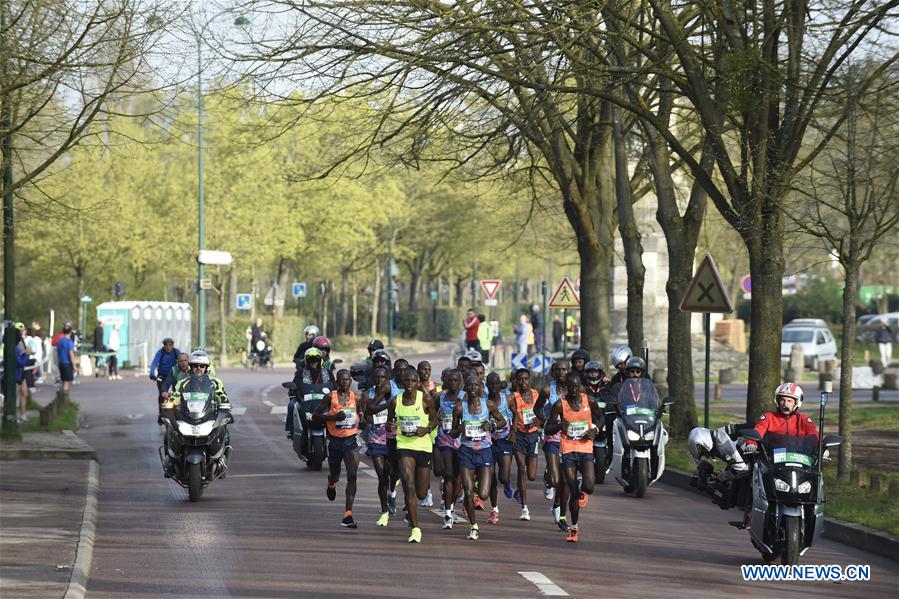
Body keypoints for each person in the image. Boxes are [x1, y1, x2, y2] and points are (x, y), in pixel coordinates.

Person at [545, 371, 603, 542]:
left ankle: (582, 485)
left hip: (585, 447)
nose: (574, 390)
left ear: (581, 387)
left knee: (589, 487)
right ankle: (574, 528)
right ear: (566, 388)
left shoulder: (589, 401)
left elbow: (601, 417)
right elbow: (548, 428)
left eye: (577, 386)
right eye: (570, 387)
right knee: (573, 491)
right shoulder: (559, 405)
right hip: (568, 448)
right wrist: (558, 425)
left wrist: (596, 429)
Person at [451, 373, 505, 540]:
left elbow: (503, 421)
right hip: (466, 451)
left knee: (483, 494)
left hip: (484, 451)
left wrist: (493, 425)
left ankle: (477, 487)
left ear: (481, 387)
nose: (473, 388)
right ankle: (473, 526)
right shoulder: (459, 408)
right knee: (467, 492)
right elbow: (452, 432)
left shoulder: (488, 405)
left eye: (476, 385)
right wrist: (458, 430)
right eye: (470, 385)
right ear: (465, 388)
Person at [386, 368, 438, 543]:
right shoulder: (396, 401)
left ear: (418, 383)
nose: (409, 385)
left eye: (413, 382)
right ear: (402, 383)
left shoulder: (425, 399)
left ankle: (415, 506)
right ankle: (416, 528)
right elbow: (389, 420)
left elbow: (435, 418)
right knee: (408, 485)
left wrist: (427, 429)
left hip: (423, 447)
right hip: (404, 445)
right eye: (406, 381)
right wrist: (390, 426)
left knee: (421, 493)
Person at [314, 369, 363, 529]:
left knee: (352, 475)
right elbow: (315, 416)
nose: (345, 382)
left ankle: (348, 514)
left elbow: (363, 414)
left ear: (351, 381)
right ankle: (331, 483)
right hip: (335, 442)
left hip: (351, 441)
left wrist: (362, 418)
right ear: (337, 381)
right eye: (342, 380)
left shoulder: (357, 397)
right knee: (335, 474)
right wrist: (333, 417)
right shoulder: (330, 397)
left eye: (347, 379)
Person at [535, 360, 571, 531]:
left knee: (565, 478)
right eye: (558, 370)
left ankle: (557, 506)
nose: (561, 373)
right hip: (552, 435)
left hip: (571, 437)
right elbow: (537, 409)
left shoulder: (575, 389)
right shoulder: (548, 390)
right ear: (553, 372)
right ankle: (549, 477)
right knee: (556, 479)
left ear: (569, 371)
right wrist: (546, 422)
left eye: (564, 370)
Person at [363, 365, 394, 526]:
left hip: (393, 440)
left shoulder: (395, 393)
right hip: (376, 441)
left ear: (388, 378)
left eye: (383, 377)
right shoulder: (368, 394)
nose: (380, 380)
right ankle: (384, 511)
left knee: (392, 474)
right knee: (382, 477)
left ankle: (392, 494)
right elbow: (366, 413)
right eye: (377, 377)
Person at [508, 368, 540, 521]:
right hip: (519, 436)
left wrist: (538, 420)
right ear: (516, 381)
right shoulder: (513, 397)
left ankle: (519, 492)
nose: (523, 382)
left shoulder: (536, 394)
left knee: (532, 476)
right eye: (520, 379)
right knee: (521, 468)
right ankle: (524, 508)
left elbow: (542, 413)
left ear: (530, 380)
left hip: (533, 436)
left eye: (526, 379)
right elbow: (505, 412)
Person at [436, 369, 464, 529]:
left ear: (460, 382)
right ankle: (447, 513)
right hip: (445, 440)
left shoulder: (465, 397)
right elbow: (431, 413)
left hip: (461, 442)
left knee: (457, 478)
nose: (453, 383)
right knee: (448, 474)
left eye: (456, 381)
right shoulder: (440, 397)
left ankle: (452, 506)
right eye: (450, 380)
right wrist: (430, 426)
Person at [486, 372, 515, 524]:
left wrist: (514, 431)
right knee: (491, 478)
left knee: (503, 477)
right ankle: (494, 509)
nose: (494, 386)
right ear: (487, 385)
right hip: (488, 442)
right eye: (491, 384)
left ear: (500, 384)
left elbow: (516, 415)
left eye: (496, 383)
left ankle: (507, 483)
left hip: (504, 440)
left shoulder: (507, 398)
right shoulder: (483, 401)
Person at [748, 383, 819, 445]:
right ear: (778, 401)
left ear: (796, 403)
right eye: (782, 400)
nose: (785, 404)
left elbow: (814, 435)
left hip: (798, 457)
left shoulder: (803, 419)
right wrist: (751, 444)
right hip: (771, 457)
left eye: (789, 401)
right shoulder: (768, 417)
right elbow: (757, 432)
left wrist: (821, 447)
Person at [56, 323, 77, 392]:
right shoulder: (69, 342)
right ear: (70, 332)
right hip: (67, 363)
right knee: (67, 382)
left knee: (64, 380)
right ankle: (64, 397)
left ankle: (62, 394)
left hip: (61, 362)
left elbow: (57, 352)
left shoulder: (60, 341)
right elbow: (71, 354)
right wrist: (74, 365)